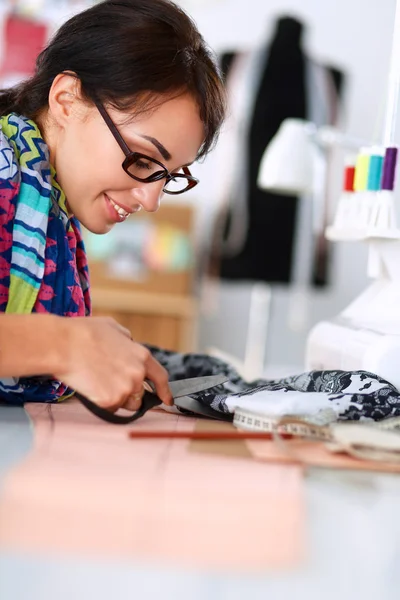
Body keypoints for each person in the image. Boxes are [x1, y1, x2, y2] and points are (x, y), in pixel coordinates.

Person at [0, 0, 226, 413]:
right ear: (67, 99)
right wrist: (63, 345)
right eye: (141, 160)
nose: (151, 199)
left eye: (170, 176)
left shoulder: (47, 202)